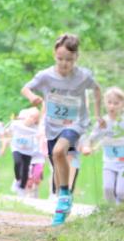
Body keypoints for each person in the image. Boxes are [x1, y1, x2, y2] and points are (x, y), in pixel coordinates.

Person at [22, 33, 103, 225]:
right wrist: (31, 97)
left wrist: (98, 114)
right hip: (53, 125)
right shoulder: (46, 76)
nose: (64, 63)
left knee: (60, 152)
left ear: (76, 58)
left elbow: (97, 90)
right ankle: (62, 205)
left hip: (75, 123)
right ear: (54, 55)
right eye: (60, 59)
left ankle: (65, 195)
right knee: (57, 163)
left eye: (69, 59)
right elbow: (26, 88)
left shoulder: (83, 76)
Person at [83, 86, 123, 205]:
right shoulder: (102, 122)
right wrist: (87, 147)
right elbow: (91, 138)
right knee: (108, 188)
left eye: (116, 103)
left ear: (122, 104)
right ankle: (111, 210)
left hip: (123, 163)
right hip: (109, 162)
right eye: (109, 103)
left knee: (121, 192)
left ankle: (120, 211)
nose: (112, 106)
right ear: (105, 103)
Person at [7, 107, 43, 196]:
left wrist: (40, 136)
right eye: (31, 116)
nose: (32, 119)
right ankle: (17, 179)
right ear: (26, 116)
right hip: (17, 148)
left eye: (35, 118)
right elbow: (8, 131)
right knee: (17, 162)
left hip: (28, 151)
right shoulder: (16, 124)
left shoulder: (36, 128)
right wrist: (7, 134)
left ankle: (22, 188)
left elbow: (41, 135)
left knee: (25, 169)